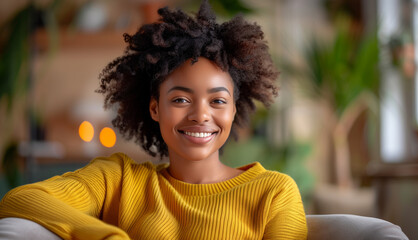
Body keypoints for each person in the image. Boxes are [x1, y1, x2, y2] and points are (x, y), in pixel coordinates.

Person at [0, 1, 307, 239]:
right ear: (154, 108)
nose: (201, 115)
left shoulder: (273, 192)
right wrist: (106, 236)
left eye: (218, 101)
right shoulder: (118, 180)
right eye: (180, 99)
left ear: (233, 110)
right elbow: (22, 199)